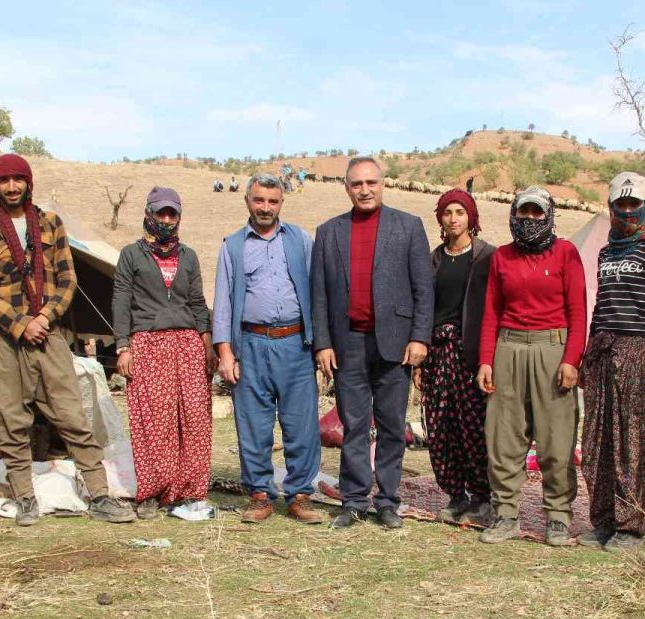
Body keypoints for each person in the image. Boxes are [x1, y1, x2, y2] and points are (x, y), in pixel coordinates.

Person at [0, 153, 136, 526]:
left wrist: (43, 316)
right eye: (4, 180)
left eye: (18, 179)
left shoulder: (50, 223)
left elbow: (67, 280)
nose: (12, 187)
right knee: (11, 421)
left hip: (49, 334)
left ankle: (100, 495)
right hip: (5, 339)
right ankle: (26, 498)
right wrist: (19, 323)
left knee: (73, 416)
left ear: (29, 182)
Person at [311, 157, 433, 529]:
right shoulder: (329, 232)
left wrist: (419, 337)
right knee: (354, 425)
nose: (364, 190)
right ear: (346, 188)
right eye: (356, 184)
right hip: (347, 343)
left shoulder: (408, 227)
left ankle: (388, 501)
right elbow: (319, 294)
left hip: (395, 344)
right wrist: (323, 344)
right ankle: (353, 500)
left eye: (371, 183)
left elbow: (423, 289)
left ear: (383, 184)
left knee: (394, 426)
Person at [476, 186, 586, 546]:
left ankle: (557, 515)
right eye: (524, 212)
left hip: (551, 348)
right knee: (504, 436)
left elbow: (578, 313)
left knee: (556, 437)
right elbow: (491, 311)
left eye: (537, 213)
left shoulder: (566, 253)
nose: (529, 220)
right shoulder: (501, 257)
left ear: (549, 214)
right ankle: (505, 512)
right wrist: (485, 360)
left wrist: (572, 360)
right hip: (507, 347)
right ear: (514, 214)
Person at [213, 174, 323, 525]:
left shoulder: (300, 240)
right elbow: (224, 302)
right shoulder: (232, 246)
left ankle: (300, 495)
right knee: (254, 425)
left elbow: (317, 293)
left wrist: (321, 344)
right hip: (252, 345)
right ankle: (260, 495)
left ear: (281, 203)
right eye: (259, 200)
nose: (265, 207)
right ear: (247, 201)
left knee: (301, 424)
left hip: (296, 344)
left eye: (272, 201)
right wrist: (225, 353)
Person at [579, 172, 645, 552]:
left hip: (642, 353)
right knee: (599, 439)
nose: (626, 211)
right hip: (604, 351)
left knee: (636, 442)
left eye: (634, 204)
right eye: (619, 205)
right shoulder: (606, 252)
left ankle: (632, 524)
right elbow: (600, 309)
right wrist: (589, 356)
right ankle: (604, 519)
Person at [113, 187, 216, 519]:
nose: (167, 220)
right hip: (148, 342)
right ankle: (154, 491)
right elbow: (121, 301)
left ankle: (189, 491)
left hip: (187, 343)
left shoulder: (189, 256)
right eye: (161, 213)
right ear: (148, 213)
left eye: (172, 214)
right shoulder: (131, 255)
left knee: (194, 418)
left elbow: (198, 302)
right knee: (155, 420)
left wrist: (207, 342)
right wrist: (123, 346)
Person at [415, 189, 494, 525]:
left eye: (460, 212)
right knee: (441, 427)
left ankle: (481, 496)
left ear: (471, 217)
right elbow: (421, 307)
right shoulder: (431, 260)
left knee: (474, 427)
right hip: (436, 354)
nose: (453, 219)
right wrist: (420, 354)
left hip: (471, 355)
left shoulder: (488, 257)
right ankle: (454, 494)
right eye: (447, 212)